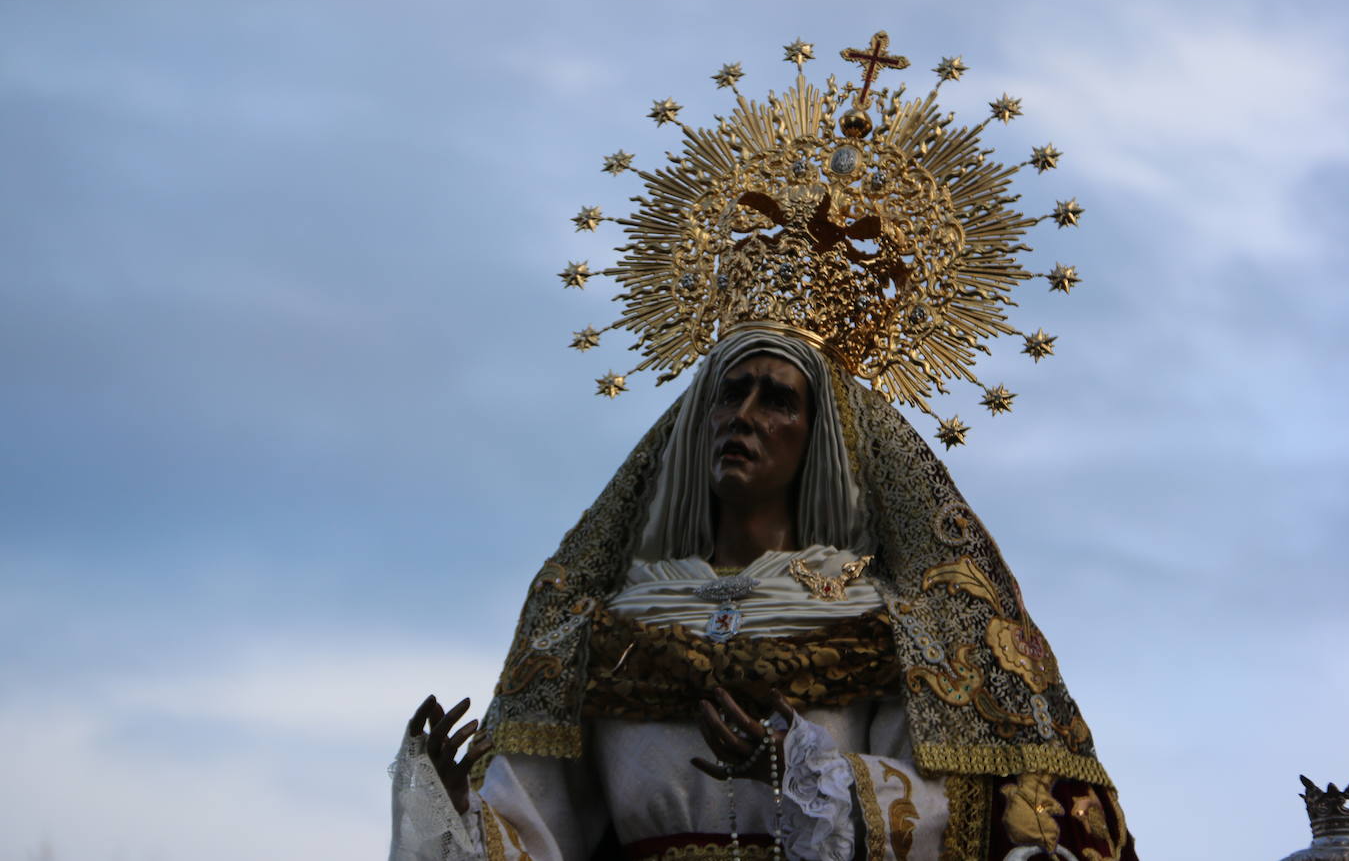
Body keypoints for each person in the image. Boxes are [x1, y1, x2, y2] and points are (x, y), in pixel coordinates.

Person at [388, 330, 1138, 860]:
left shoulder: (879, 625)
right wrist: (453, 809)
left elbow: (950, 819)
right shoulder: (611, 631)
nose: (743, 416)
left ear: (821, 439)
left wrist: (809, 775)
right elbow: (540, 832)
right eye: (729, 393)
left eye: (776, 399)